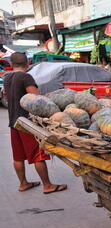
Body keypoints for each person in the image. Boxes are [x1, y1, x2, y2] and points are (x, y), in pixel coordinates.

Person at [4, 52, 67, 194]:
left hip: (14, 122)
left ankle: (23, 183)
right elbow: (36, 101)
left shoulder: (7, 78)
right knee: (37, 154)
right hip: (27, 124)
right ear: (27, 63)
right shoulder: (26, 77)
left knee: (18, 156)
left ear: (11, 65)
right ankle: (48, 186)